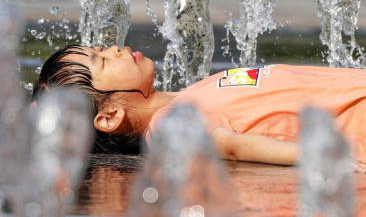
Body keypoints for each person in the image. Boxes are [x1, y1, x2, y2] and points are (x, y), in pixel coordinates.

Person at [32, 44, 366, 167]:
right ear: (109, 117)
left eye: (102, 47)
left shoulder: (187, 95)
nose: (114, 49)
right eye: (101, 61)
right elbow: (233, 147)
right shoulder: (168, 124)